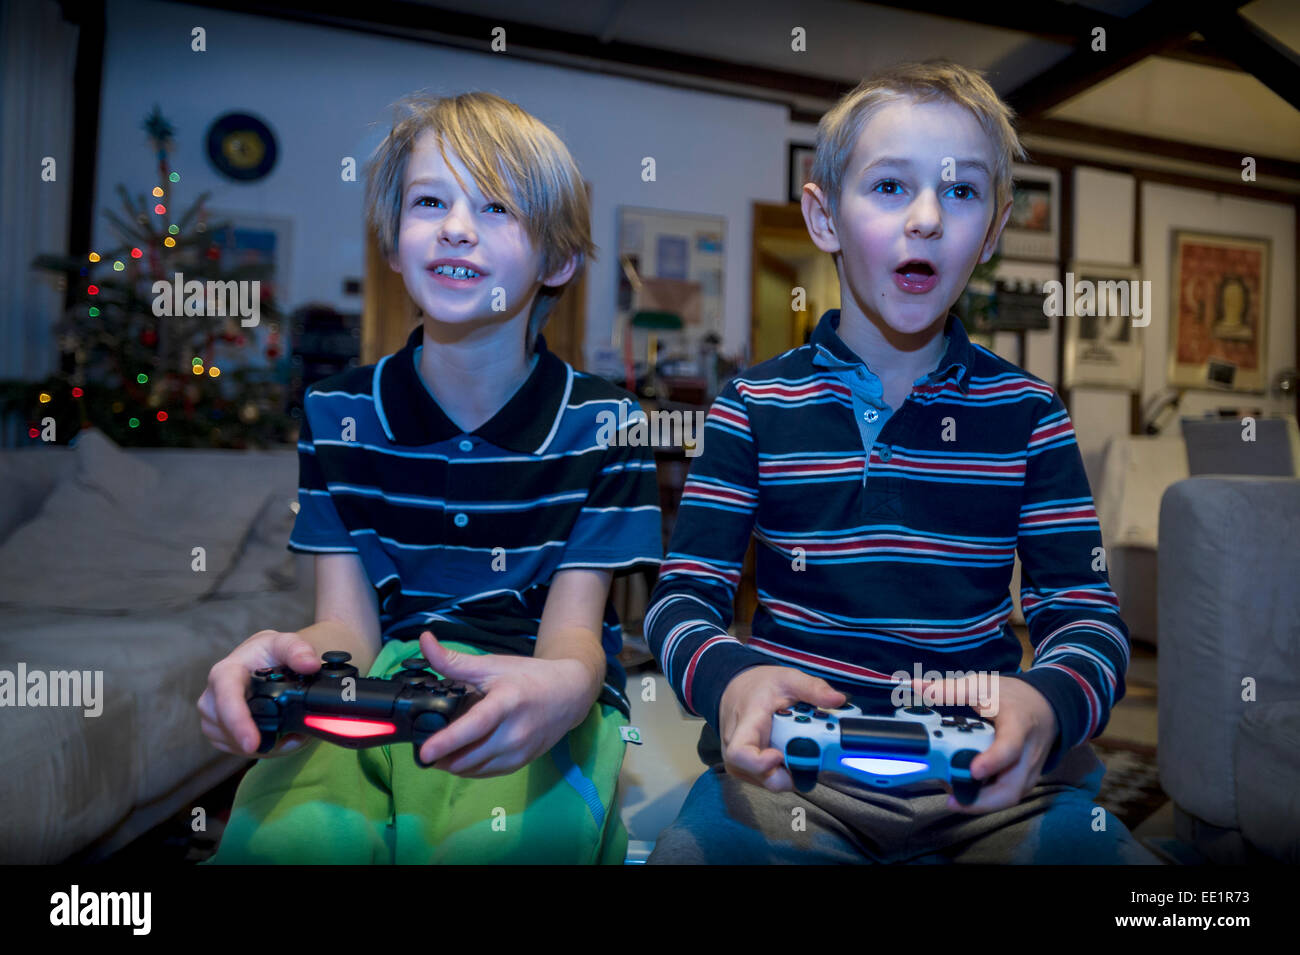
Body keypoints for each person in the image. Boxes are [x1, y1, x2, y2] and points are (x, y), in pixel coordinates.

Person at [642, 60, 1160, 864]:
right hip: (795, 776)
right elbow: (679, 603)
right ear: (824, 218)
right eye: (890, 188)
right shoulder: (751, 407)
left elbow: (1088, 618)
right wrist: (732, 680)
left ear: (992, 230)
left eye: (961, 192)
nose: (927, 218)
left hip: (988, 780)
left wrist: (1047, 699)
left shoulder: (1032, 415)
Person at [198, 91, 661, 864]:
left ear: (558, 259)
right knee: (287, 842)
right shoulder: (337, 410)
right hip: (374, 685)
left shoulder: (606, 423)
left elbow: (572, 638)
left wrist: (569, 692)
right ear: (392, 242)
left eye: (495, 206)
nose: (455, 225)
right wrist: (289, 654)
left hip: (533, 680)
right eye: (429, 201)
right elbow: (346, 627)